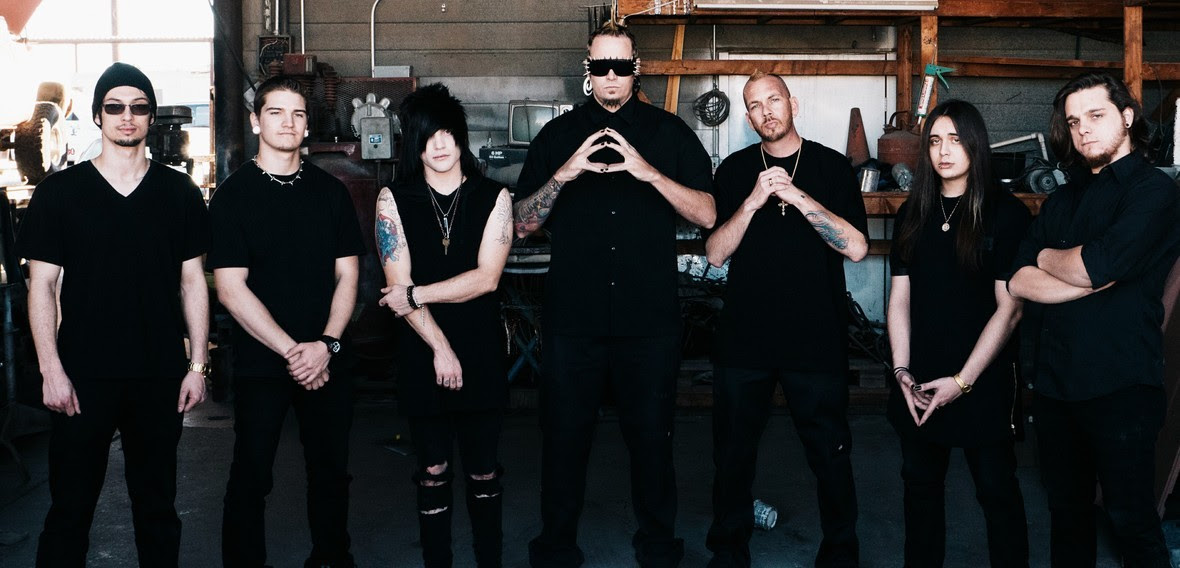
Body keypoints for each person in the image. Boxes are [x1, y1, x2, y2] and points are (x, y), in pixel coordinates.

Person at [513, 20, 716, 568]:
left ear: (636, 69)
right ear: (588, 69)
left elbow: (708, 214)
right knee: (563, 441)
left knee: (652, 441)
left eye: (620, 66)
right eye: (600, 66)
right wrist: (564, 174)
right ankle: (556, 548)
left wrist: (650, 173)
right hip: (572, 322)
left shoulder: (669, 133)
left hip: (647, 322)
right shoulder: (557, 136)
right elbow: (521, 224)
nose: (610, 76)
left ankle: (658, 547)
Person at [17, 61, 210, 568]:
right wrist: (51, 370)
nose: (128, 116)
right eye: (115, 106)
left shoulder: (179, 193)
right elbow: (42, 287)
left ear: (151, 117)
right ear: (98, 115)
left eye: (139, 107)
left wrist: (197, 365)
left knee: (158, 511)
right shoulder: (60, 193)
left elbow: (193, 282)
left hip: (159, 375)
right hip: (82, 376)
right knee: (69, 511)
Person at [1008, 72, 1180, 568]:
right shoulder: (1064, 198)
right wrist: (1068, 267)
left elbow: (1096, 267)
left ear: (1127, 116)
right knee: (1066, 519)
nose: (1082, 129)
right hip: (1056, 387)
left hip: (1121, 387)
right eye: (1073, 121)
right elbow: (1018, 279)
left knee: (1132, 523)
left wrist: (1055, 261)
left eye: (1096, 115)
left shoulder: (1154, 192)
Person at [703, 71, 868, 568]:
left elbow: (857, 248)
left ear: (793, 103)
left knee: (830, 453)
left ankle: (840, 552)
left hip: (815, 337)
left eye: (773, 100)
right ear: (748, 116)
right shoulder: (735, 171)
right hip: (745, 339)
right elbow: (715, 253)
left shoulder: (831, 167)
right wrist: (752, 202)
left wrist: (797, 197)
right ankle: (728, 550)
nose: (766, 111)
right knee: (732, 455)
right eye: (755, 105)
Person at [210, 75, 365, 568]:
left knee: (331, 472)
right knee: (252, 474)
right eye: (275, 112)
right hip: (264, 362)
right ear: (256, 121)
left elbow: (349, 276)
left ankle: (332, 559)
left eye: (298, 114)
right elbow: (231, 288)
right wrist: (295, 353)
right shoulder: (233, 196)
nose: (288, 123)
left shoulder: (331, 193)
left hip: (327, 358)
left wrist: (325, 345)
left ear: (307, 125)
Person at [886, 99, 1031, 568]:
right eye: (934, 141)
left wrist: (963, 382)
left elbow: (1010, 310)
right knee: (920, 490)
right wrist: (901, 371)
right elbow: (900, 299)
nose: (943, 151)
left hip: (981, 380)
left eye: (954, 139)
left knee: (996, 490)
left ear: (975, 144)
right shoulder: (913, 212)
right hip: (920, 381)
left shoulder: (1006, 214)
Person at [374, 83, 513, 567]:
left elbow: (487, 278)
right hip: (422, 349)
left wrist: (417, 294)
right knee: (432, 469)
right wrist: (441, 348)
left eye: (446, 133)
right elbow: (397, 283)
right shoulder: (393, 199)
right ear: (414, 143)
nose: (438, 144)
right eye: (426, 136)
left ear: (460, 136)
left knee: (483, 470)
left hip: (481, 349)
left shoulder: (494, 196)